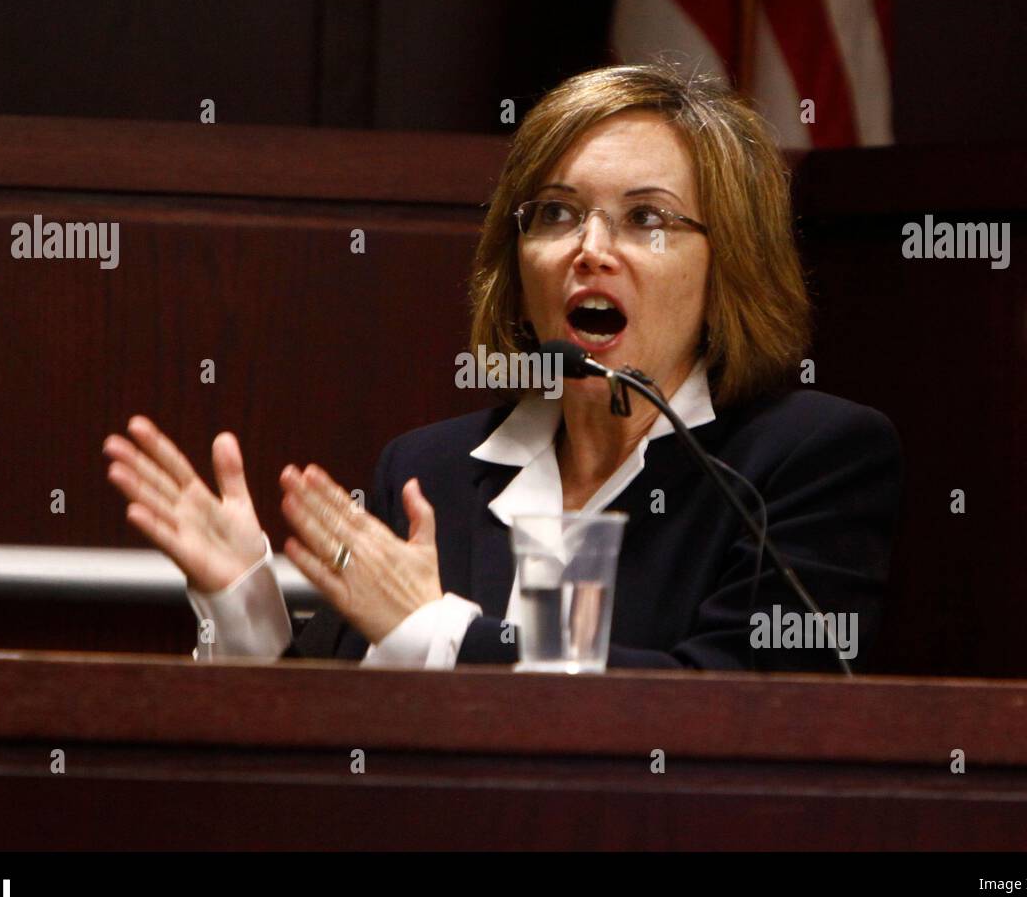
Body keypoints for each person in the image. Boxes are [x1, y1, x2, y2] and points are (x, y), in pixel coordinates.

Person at [103, 63, 902, 671]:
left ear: (729, 263)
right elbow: (337, 737)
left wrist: (438, 633)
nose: (591, 249)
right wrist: (244, 605)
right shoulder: (431, 471)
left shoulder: (802, 461)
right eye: (556, 213)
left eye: (645, 218)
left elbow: (744, 707)